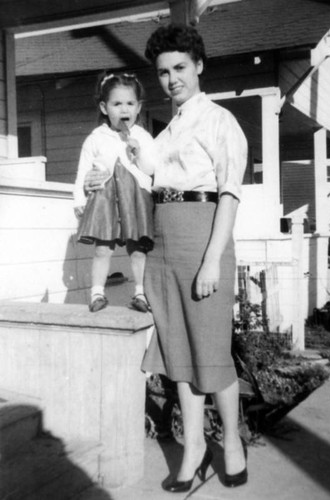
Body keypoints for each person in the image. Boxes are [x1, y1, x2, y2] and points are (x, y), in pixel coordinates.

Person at [84, 24, 248, 493]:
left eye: (180, 68)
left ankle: (231, 444)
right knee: (177, 349)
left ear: (198, 66)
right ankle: (193, 448)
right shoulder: (166, 128)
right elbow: (150, 180)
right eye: (163, 72)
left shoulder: (219, 120)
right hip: (163, 238)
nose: (172, 78)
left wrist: (213, 259)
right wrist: (121, 167)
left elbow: (230, 193)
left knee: (211, 348)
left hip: (202, 235)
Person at [73, 72, 156, 313]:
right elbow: (83, 171)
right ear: (104, 107)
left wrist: (138, 152)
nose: (124, 110)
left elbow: (150, 169)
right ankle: (97, 293)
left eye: (130, 103)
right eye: (116, 104)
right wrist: (79, 199)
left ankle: (140, 293)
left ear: (138, 107)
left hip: (135, 198)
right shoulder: (96, 138)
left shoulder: (143, 136)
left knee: (138, 248)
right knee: (102, 249)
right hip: (106, 198)